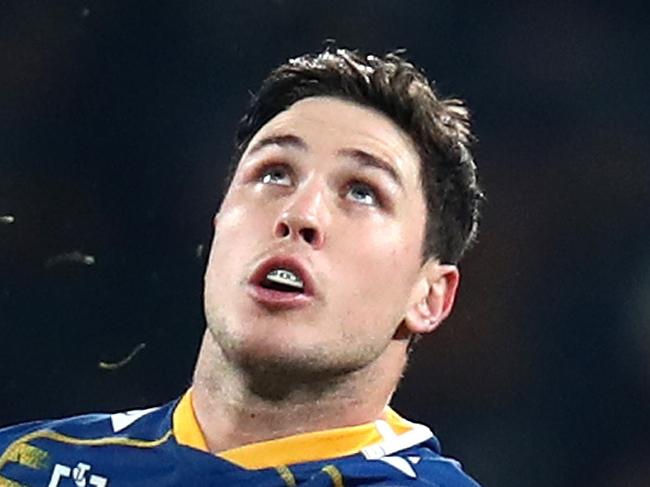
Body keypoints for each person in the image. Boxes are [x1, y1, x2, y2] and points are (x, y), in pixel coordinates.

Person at [0, 46, 484, 486]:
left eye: (362, 191)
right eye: (275, 173)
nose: (299, 214)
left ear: (429, 296)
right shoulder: (26, 466)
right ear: (217, 228)